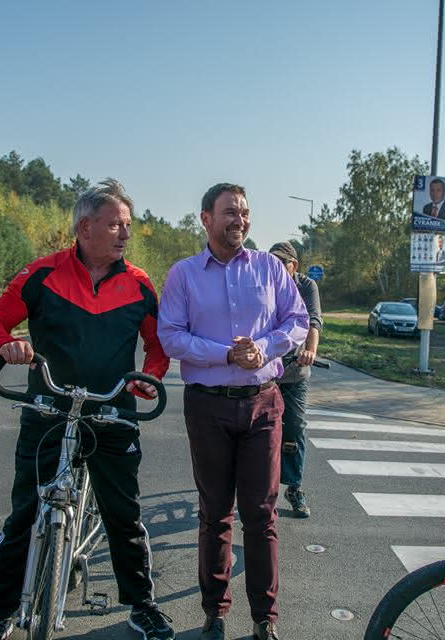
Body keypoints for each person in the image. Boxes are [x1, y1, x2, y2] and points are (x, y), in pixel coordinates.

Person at [0, 179, 175, 640]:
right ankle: (0, 610)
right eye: (115, 225)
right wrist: (6, 345)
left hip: (112, 413)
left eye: (128, 225)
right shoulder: (42, 274)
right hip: (48, 410)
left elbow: (158, 345)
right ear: (85, 228)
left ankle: (142, 606)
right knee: (24, 514)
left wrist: (150, 376)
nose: (126, 233)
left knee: (123, 514)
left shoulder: (139, 283)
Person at [157, 184, 309, 640]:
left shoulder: (269, 268)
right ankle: (215, 612)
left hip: (263, 402)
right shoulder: (184, 275)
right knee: (215, 513)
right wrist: (225, 353)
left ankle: (265, 618)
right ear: (206, 218)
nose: (239, 220)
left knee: (261, 515)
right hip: (208, 406)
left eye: (243, 212)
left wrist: (263, 348)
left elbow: (298, 321)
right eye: (229, 212)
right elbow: (171, 335)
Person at [266, 241, 322, 519]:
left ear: (294, 265)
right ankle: (260, 486)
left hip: (294, 371)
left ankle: (294, 487)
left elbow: (313, 321)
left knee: (295, 427)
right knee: (258, 430)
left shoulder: (306, 286)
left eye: (282, 263)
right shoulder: (263, 283)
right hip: (265, 370)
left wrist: (310, 350)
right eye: (272, 262)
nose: (275, 267)